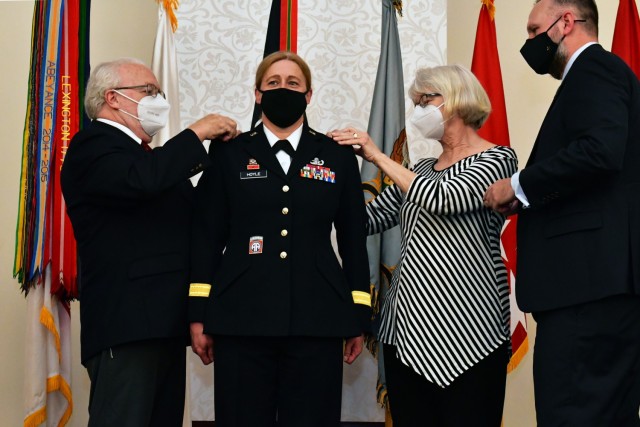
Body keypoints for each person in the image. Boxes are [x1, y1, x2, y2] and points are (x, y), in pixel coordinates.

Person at [187, 50, 372, 427]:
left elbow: (353, 240)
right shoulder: (229, 153)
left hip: (317, 318)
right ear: (257, 94)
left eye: (292, 83)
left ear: (308, 96)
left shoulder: (337, 157)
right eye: (272, 83)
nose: (282, 89)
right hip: (240, 317)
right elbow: (207, 236)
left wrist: (358, 314)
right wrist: (198, 314)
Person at [331, 64, 518, 427]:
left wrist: (378, 156)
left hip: (471, 334)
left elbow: (443, 198)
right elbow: (364, 221)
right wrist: (325, 173)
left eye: (426, 100)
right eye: (415, 103)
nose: (418, 111)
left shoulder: (498, 160)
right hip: (406, 337)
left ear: (459, 100)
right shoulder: (424, 169)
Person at [483, 0, 640, 425]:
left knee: (572, 414)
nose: (529, 43)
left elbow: (599, 151)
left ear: (566, 22)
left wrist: (518, 186)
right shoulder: (600, 75)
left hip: (586, 291)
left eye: (535, 31)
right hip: (596, 289)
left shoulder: (595, 70)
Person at [60, 57, 238, 427]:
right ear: (113, 98)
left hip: (165, 324)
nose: (158, 100)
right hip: (126, 325)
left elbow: (195, 217)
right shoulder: (92, 145)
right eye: (149, 91)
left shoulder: (151, 160)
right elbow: (142, 180)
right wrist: (196, 133)